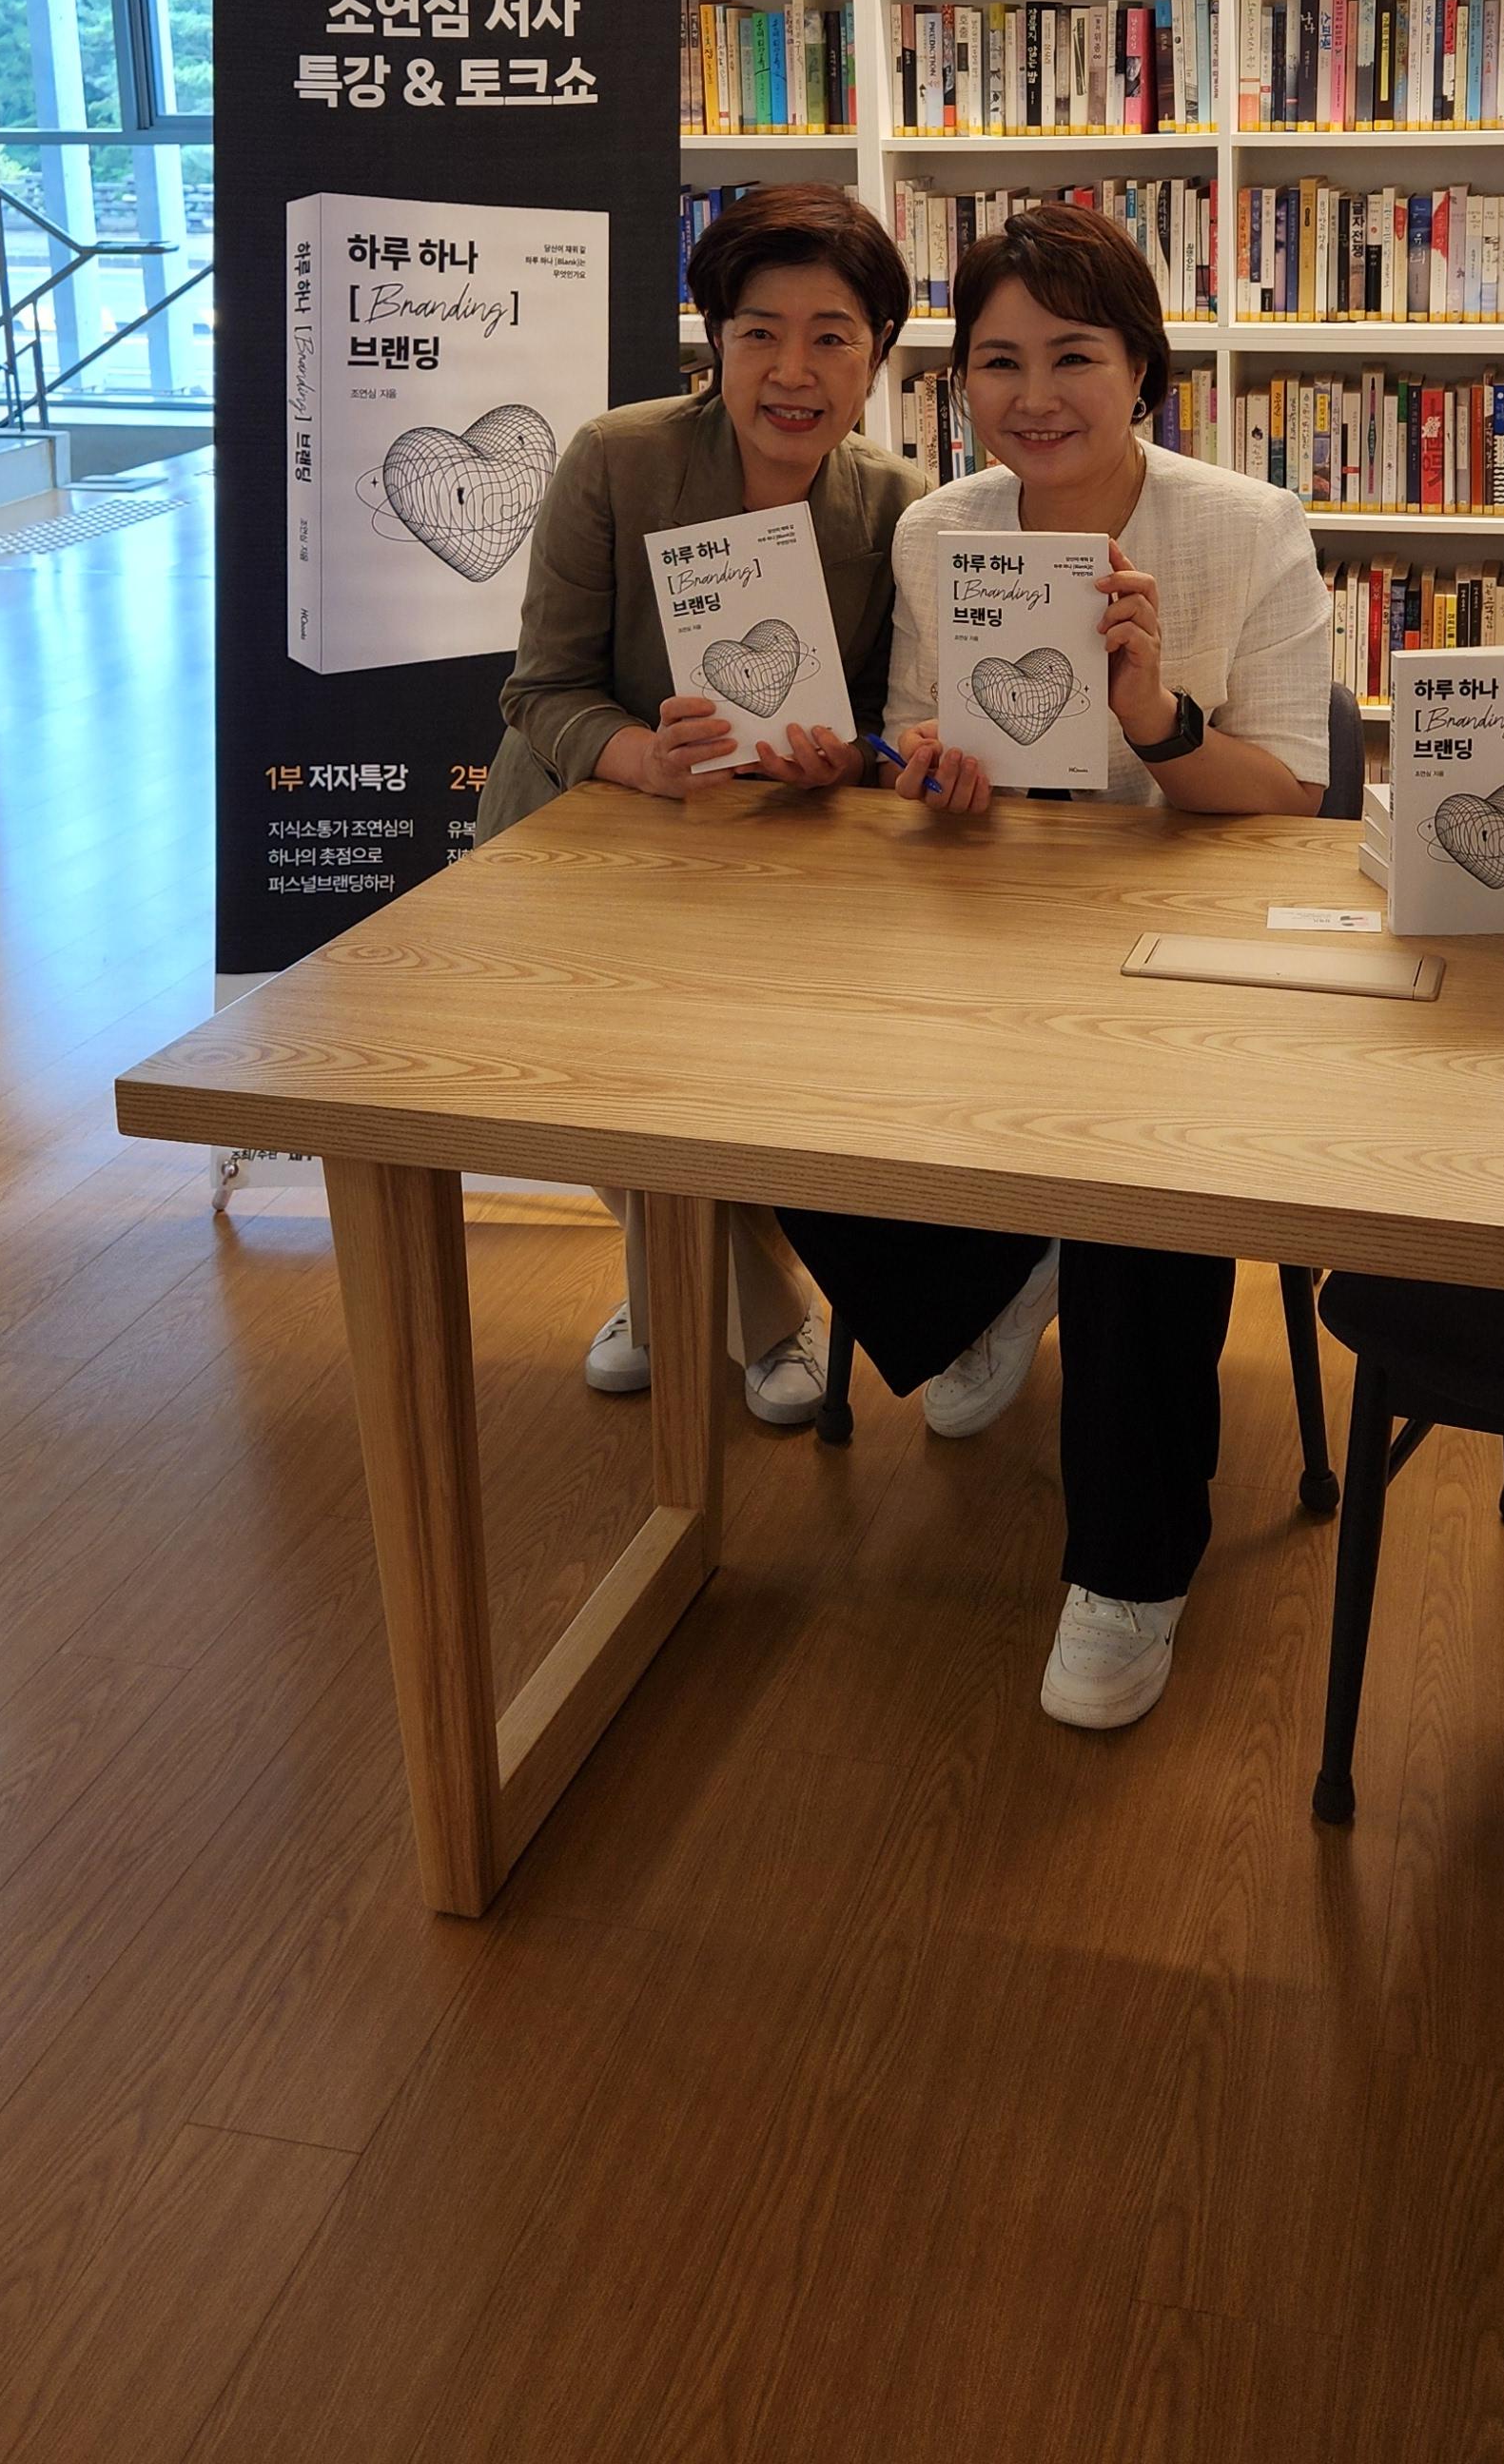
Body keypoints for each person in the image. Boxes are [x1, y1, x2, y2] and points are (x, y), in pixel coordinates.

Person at [777, 200, 1332, 1732]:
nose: (1035, 396)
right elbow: (921, 730)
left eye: (1073, 356)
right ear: (960, 381)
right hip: (1001, 924)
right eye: (1000, 361)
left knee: (1148, 1180)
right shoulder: (940, 530)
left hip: (1195, 936)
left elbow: (1292, 801)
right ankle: (1002, 1272)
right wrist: (930, 768)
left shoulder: (1246, 527)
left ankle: (1131, 1566)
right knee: (770, 1067)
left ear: (1142, 367)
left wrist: (1155, 716)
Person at [474, 182, 926, 1420]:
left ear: (878, 353)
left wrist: (849, 758)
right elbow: (541, 688)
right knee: (592, 1063)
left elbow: (888, 715)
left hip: (775, 851)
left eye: (831, 336)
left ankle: (669, 1279)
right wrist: (640, 757)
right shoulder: (617, 460)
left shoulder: (896, 503)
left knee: (755, 1063)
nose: (793, 370)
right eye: (758, 332)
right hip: (583, 830)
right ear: (715, 340)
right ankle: (755, 1310)